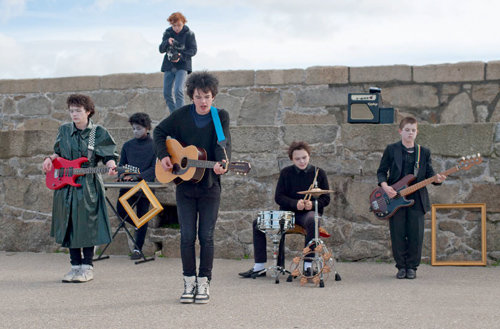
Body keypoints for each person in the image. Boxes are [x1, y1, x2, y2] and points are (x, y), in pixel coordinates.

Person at [154, 71, 230, 304]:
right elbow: (158, 132)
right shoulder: (181, 116)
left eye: (207, 96)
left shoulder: (220, 117)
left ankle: (204, 283)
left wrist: (223, 164)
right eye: (198, 96)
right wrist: (164, 155)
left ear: (213, 96)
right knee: (187, 236)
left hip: (209, 186)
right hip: (184, 187)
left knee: (206, 237)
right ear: (191, 96)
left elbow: (222, 145)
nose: (203, 101)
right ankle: (188, 281)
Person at [42, 94, 118, 283]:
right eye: (71, 111)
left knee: (87, 225)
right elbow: (58, 153)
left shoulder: (98, 132)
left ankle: (87, 267)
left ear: (88, 111)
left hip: (88, 184)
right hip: (65, 185)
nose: (74, 114)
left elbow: (109, 154)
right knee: (69, 224)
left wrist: (110, 165)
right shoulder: (64, 130)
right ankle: (74, 266)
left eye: (78, 111)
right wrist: (49, 159)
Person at [239, 141, 330, 278]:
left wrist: (312, 204)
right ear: (292, 159)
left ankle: (308, 266)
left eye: (304, 157)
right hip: (287, 214)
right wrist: (295, 203)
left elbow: (326, 199)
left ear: (309, 156)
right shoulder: (286, 173)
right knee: (257, 223)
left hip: (307, 215)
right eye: (297, 159)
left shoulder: (319, 173)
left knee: (313, 220)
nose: (301, 161)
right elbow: (279, 197)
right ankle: (259, 267)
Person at [377, 116, 446, 279]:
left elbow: (429, 174)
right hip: (395, 198)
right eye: (407, 130)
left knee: (416, 235)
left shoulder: (424, 152)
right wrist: (385, 187)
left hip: (417, 198)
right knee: (397, 233)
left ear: (417, 132)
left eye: (413, 130)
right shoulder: (391, 149)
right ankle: (401, 267)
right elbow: (381, 172)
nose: (410, 133)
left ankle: (412, 268)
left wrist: (437, 180)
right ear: (400, 131)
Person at [115, 113, 156, 260]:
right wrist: (122, 175)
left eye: (138, 128)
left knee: (142, 214)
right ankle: (137, 225)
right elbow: (122, 166)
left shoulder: (155, 145)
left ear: (146, 128)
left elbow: (154, 168)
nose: (135, 131)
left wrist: (138, 176)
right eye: (133, 129)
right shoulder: (127, 145)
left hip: (145, 186)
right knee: (120, 209)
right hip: (128, 186)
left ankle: (138, 250)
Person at [159, 12, 197, 113]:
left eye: (179, 25)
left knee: (178, 90)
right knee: (166, 93)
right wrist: (167, 42)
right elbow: (161, 50)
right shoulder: (167, 33)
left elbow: (193, 50)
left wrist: (181, 56)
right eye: (174, 25)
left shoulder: (189, 33)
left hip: (182, 66)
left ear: (183, 23)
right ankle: (174, 114)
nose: (176, 27)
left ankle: (180, 115)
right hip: (169, 66)